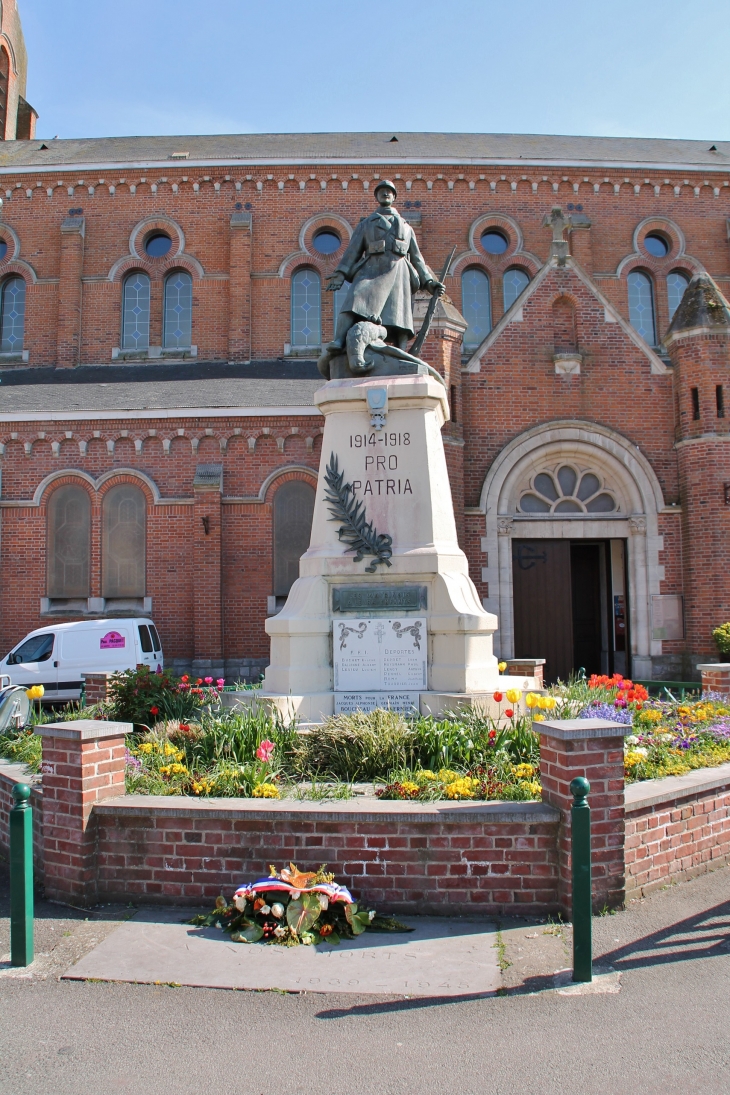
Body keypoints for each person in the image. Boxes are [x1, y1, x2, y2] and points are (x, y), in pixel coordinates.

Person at [325, 180, 445, 356]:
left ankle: (401, 353)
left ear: (394, 196)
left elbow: (418, 258)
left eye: (389, 191)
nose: (386, 193)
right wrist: (341, 274)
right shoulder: (367, 224)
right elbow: (352, 252)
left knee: (399, 315)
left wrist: (429, 281)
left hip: (399, 272)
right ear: (377, 196)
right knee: (354, 298)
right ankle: (339, 339)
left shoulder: (406, 227)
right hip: (371, 269)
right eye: (381, 191)